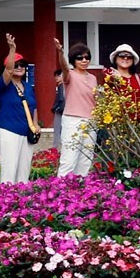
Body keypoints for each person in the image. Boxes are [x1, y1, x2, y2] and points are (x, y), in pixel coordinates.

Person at [0, 39, 41, 184]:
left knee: (24, 173)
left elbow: (34, 106)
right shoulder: (3, 84)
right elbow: (8, 70)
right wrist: (12, 49)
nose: (19, 67)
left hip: (27, 133)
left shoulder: (27, 86)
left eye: (22, 65)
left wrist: (36, 125)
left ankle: (23, 204)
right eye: (16, 65)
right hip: (9, 130)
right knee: (9, 171)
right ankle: (6, 202)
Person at [53, 40, 101, 176]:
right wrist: (60, 52)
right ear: (73, 60)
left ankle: (80, 191)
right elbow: (64, 67)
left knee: (86, 159)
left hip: (91, 120)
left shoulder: (93, 78)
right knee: (69, 159)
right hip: (73, 120)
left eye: (87, 57)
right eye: (80, 58)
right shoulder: (70, 75)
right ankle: (61, 190)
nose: (84, 60)